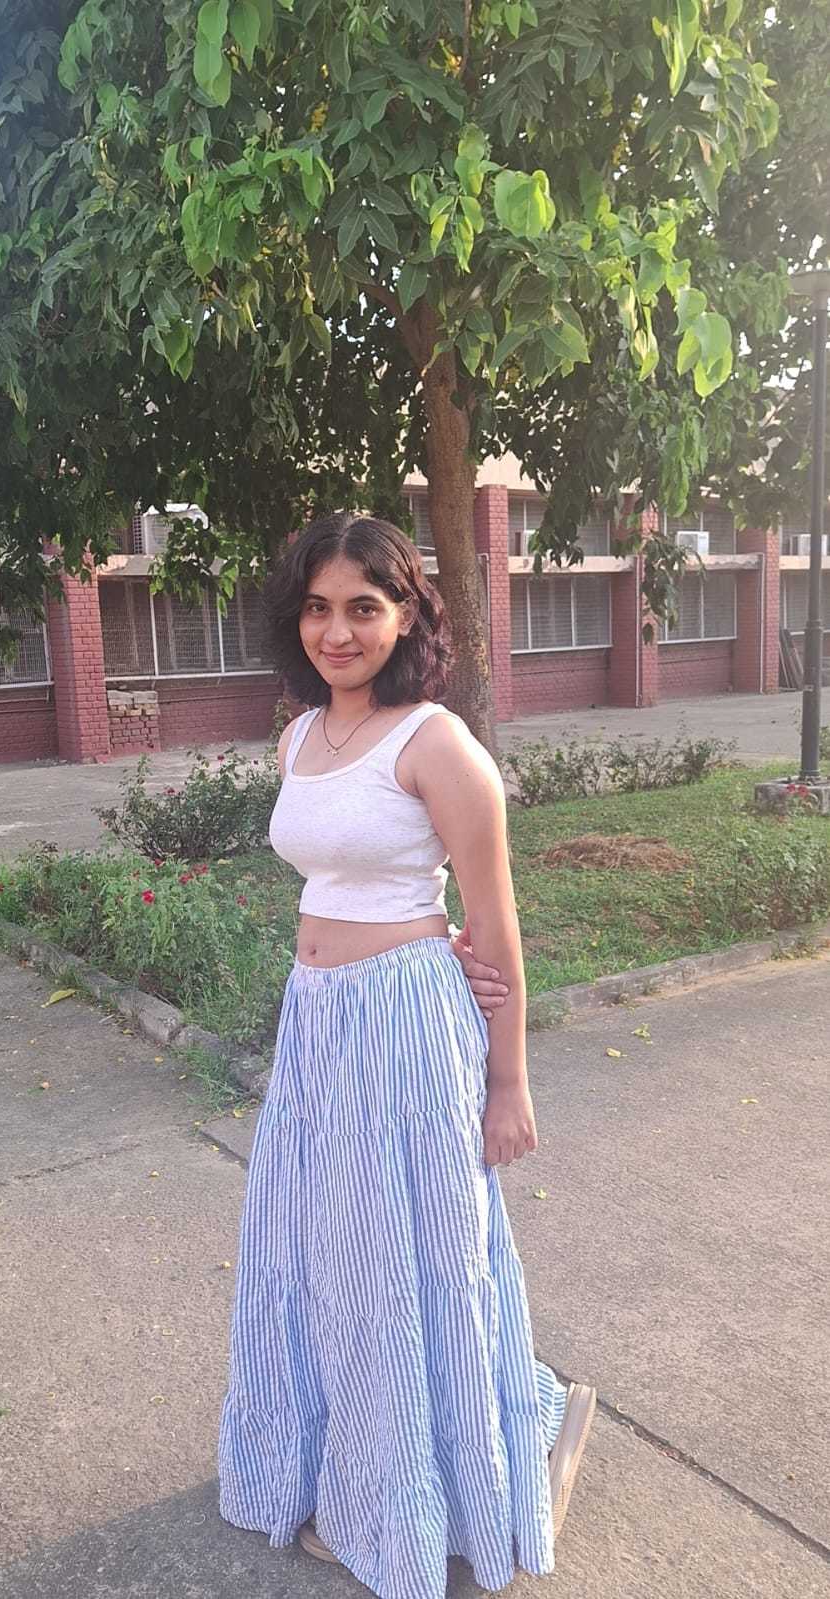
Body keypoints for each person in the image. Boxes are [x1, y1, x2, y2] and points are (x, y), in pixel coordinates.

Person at [217, 512, 595, 1597]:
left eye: (363, 607)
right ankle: (343, 1461)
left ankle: (418, 1494)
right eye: (317, 608)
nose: (337, 631)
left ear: (405, 617)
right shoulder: (299, 736)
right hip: (317, 1023)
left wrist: (508, 1083)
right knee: (318, 1255)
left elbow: (495, 923)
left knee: (401, 1264)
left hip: (403, 1028)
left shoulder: (436, 744)